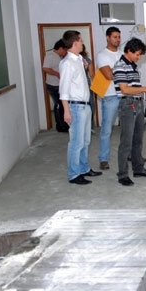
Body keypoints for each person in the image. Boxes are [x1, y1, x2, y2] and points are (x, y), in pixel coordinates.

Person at [113, 38, 146, 186]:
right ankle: (122, 175)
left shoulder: (133, 66)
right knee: (126, 142)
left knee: (138, 140)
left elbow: (134, 87)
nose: (139, 57)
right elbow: (125, 89)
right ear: (129, 51)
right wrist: (145, 89)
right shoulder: (120, 66)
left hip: (138, 104)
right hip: (127, 105)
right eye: (138, 54)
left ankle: (138, 169)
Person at [59, 30, 102, 185]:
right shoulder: (67, 63)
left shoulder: (79, 60)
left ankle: (84, 169)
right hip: (75, 107)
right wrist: (66, 110)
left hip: (85, 105)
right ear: (75, 42)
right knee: (76, 143)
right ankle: (74, 174)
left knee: (85, 141)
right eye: (81, 40)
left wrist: (85, 65)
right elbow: (63, 90)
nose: (83, 43)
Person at [95, 27, 122, 170]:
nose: (117, 40)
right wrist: (121, 71)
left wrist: (115, 69)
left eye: (119, 37)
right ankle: (103, 158)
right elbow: (108, 75)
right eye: (115, 37)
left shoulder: (123, 54)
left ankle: (129, 154)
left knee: (128, 128)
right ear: (107, 38)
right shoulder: (102, 55)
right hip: (110, 96)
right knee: (106, 129)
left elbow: (129, 74)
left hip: (125, 95)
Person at [42, 39, 69, 132]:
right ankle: (60, 125)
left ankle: (64, 123)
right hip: (53, 85)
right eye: (65, 50)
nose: (65, 52)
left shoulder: (59, 57)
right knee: (58, 104)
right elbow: (45, 68)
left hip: (59, 84)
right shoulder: (50, 55)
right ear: (60, 48)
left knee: (62, 105)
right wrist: (57, 73)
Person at [80, 45, 96, 130]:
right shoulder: (87, 60)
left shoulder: (67, 59)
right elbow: (92, 75)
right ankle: (90, 126)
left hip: (76, 88)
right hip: (86, 85)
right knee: (90, 105)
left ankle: (81, 127)